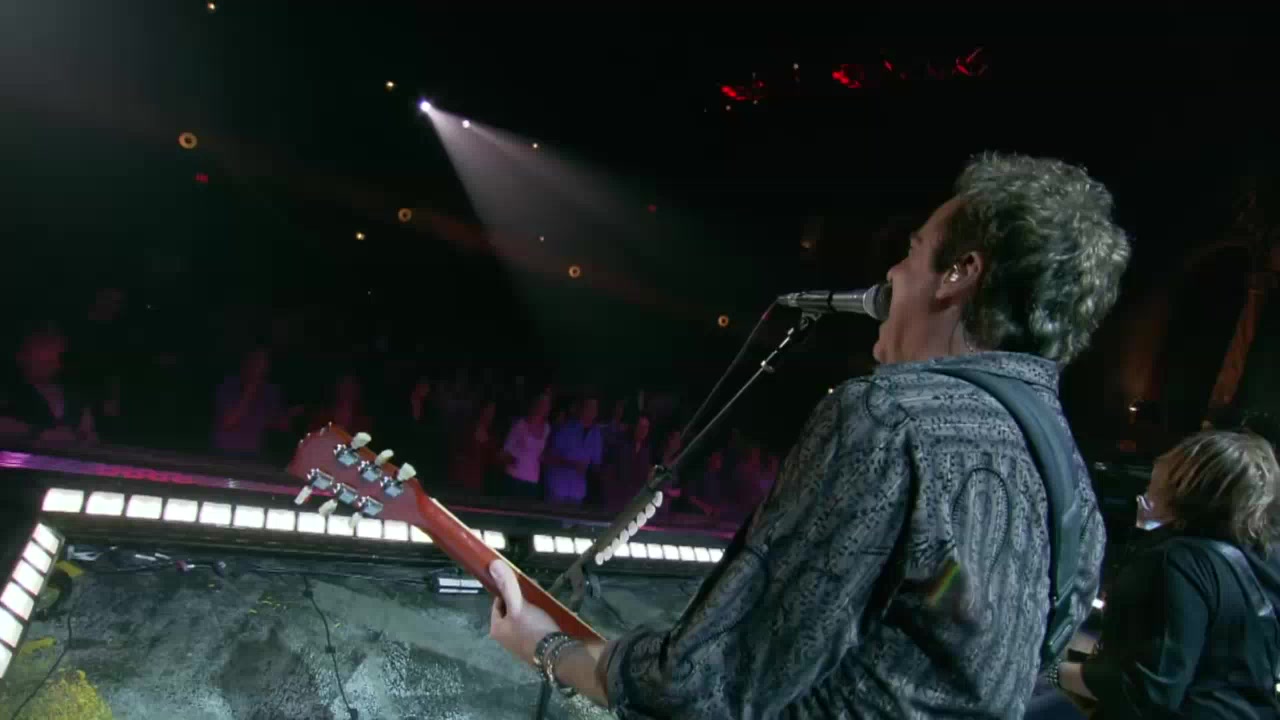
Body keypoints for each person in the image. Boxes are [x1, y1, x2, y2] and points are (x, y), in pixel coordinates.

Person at [487, 153, 1130, 717]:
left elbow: (709, 687)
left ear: (959, 272)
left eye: (911, 252)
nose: (892, 275)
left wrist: (549, 647)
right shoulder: (1070, 478)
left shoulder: (887, 417)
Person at [1051, 430, 1280, 718]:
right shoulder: (1265, 559)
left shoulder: (1179, 562)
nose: (1149, 485)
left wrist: (1052, 673)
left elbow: (1146, 688)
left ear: (1188, 484)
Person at [0, 327, 98, 444]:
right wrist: (38, 433)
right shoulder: (8, 393)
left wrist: (83, 437)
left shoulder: (74, 395)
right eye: (42, 361)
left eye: (52, 360)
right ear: (21, 357)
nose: (53, 365)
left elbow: (90, 435)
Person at [543, 395, 604, 505]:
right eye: (589, 407)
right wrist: (571, 464)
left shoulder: (596, 434)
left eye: (595, 408)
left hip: (577, 492)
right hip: (557, 488)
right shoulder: (565, 428)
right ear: (582, 408)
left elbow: (596, 463)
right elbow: (548, 457)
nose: (592, 411)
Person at [499, 389, 552, 501]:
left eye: (547, 405)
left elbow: (541, 452)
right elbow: (505, 450)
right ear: (536, 405)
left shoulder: (547, 428)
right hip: (515, 477)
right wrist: (511, 459)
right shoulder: (520, 425)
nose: (544, 408)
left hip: (532, 479)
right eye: (542, 404)